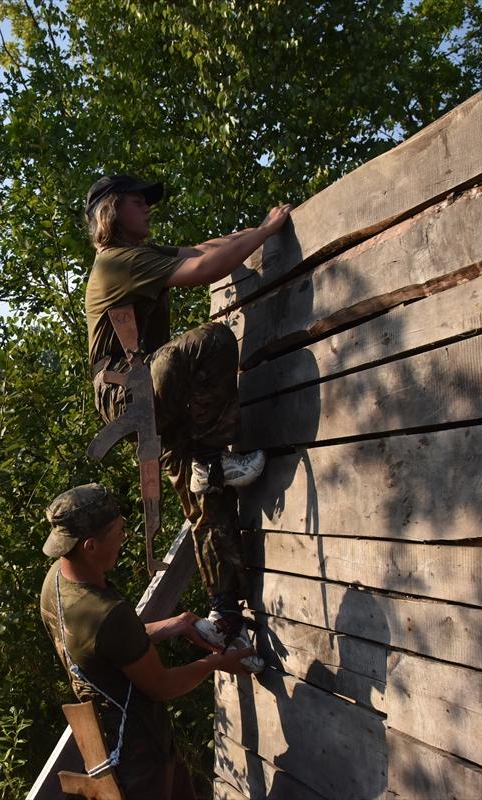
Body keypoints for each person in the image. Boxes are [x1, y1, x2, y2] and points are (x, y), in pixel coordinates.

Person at [83, 174, 292, 652]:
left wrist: (253, 230)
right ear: (113, 211)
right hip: (129, 394)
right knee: (213, 339)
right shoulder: (117, 262)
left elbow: (201, 249)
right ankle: (213, 459)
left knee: (206, 502)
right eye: (138, 202)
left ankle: (225, 620)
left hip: (153, 396)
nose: (147, 210)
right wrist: (264, 233)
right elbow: (203, 270)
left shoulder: (139, 256)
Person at [39, 483, 256, 800]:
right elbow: (162, 686)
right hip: (137, 758)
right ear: (89, 546)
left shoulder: (57, 581)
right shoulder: (107, 614)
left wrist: (175, 624)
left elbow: (105, 647)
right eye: (118, 531)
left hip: (103, 745)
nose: (124, 538)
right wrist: (218, 663)